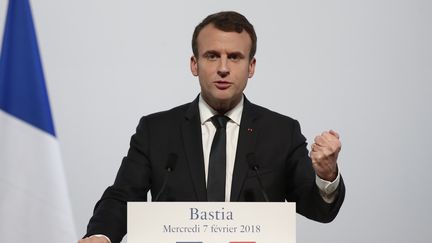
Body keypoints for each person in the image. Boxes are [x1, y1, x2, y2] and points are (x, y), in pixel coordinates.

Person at [79, 11, 345, 243]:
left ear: (251, 67)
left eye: (235, 57)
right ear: (194, 64)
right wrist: (102, 236)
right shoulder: (156, 130)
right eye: (212, 56)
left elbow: (319, 209)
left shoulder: (281, 132)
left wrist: (326, 176)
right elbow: (123, 196)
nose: (223, 68)